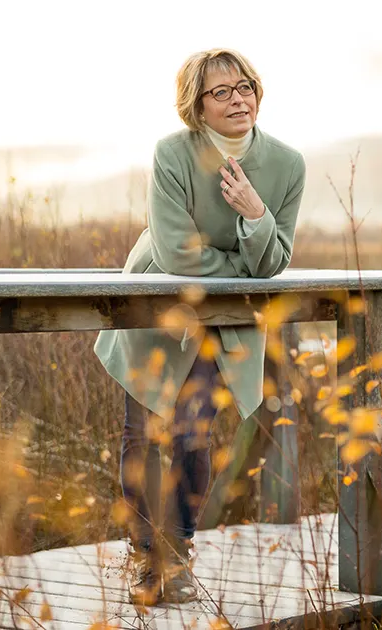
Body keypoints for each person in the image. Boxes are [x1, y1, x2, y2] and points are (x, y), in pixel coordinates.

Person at [93, 48, 305, 606]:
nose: (239, 99)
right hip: (155, 305)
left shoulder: (287, 165)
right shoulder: (172, 154)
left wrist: (256, 214)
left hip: (225, 317)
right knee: (142, 432)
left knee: (193, 432)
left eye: (246, 87)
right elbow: (177, 256)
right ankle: (144, 558)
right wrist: (244, 264)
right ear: (197, 105)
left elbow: (276, 260)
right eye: (222, 92)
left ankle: (178, 554)